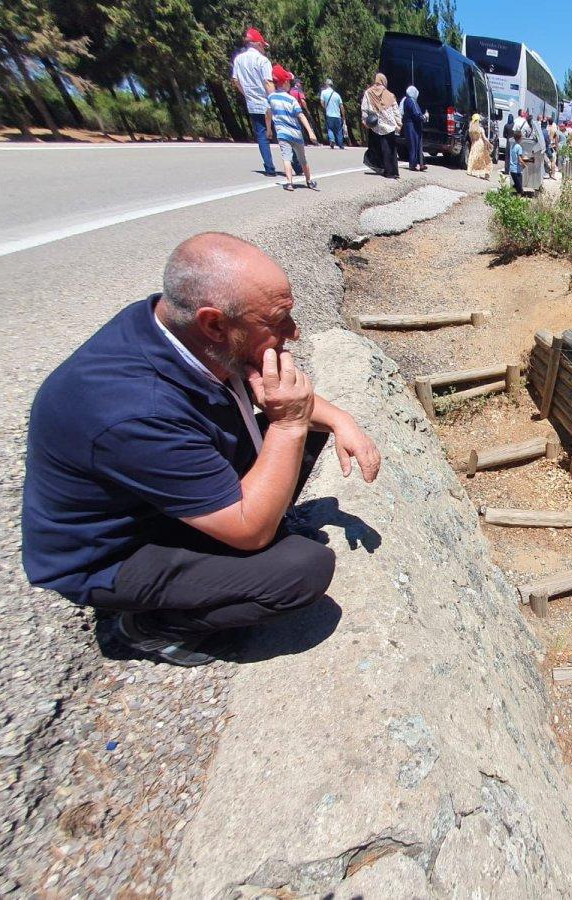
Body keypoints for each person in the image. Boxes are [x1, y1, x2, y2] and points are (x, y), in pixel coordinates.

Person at [22, 233, 382, 667]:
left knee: (308, 425)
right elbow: (252, 530)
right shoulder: (135, 411)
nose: (295, 333)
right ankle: (151, 626)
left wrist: (340, 419)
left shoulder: (174, 328)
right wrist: (287, 425)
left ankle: (230, 522)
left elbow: (271, 393)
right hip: (115, 551)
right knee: (301, 571)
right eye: (278, 320)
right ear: (213, 323)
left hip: (158, 496)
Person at [231, 28, 277, 177]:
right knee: (283, 131)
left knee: (262, 135)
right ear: (257, 44)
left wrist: (247, 94)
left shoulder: (238, 59)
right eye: (263, 45)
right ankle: (296, 165)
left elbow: (235, 80)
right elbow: (268, 82)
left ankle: (269, 168)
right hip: (267, 102)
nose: (264, 49)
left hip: (252, 103)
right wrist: (276, 101)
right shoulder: (262, 61)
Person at [267, 64, 318, 191]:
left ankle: (289, 182)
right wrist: (310, 131)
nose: (289, 84)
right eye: (288, 81)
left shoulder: (271, 98)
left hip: (282, 133)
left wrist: (268, 129)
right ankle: (309, 180)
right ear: (284, 83)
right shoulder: (291, 99)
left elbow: (268, 114)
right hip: (296, 133)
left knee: (286, 158)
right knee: (302, 159)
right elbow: (301, 116)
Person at [362, 73, 401, 179]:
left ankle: (380, 167)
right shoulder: (390, 95)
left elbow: (364, 108)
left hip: (375, 125)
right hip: (389, 126)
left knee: (376, 148)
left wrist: (364, 120)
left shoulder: (368, 93)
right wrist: (399, 124)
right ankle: (392, 172)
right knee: (390, 149)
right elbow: (396, 111)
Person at [401, 85, 426, 172]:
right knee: (414, 145)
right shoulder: (412, 101)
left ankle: (419, 163)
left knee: (414, 145)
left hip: (408, 125)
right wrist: (424, 117)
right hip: (413, 126)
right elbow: (416, 113)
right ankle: (413, 164)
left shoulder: (405, 100)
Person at [319, 78, 346, 149]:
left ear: (326, 85)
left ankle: (332, 140)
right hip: (337, 115)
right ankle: (340, 144)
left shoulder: (323, 92)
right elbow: (341, 106)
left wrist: (325, 108)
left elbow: (322, 102)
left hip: (329, 114)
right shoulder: (337, 95)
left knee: (330, 128)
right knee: (339, 130)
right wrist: (343, 116)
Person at [466, 112, 492, 179]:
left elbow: (471, 139)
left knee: (474, 159)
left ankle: (474, 172)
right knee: (485, 159)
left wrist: (473, 143)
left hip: (474, 144)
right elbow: (484, 138)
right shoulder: (480, 129)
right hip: (480, 144)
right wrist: (489, 144)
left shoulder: (470, 129)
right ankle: (486, 174)